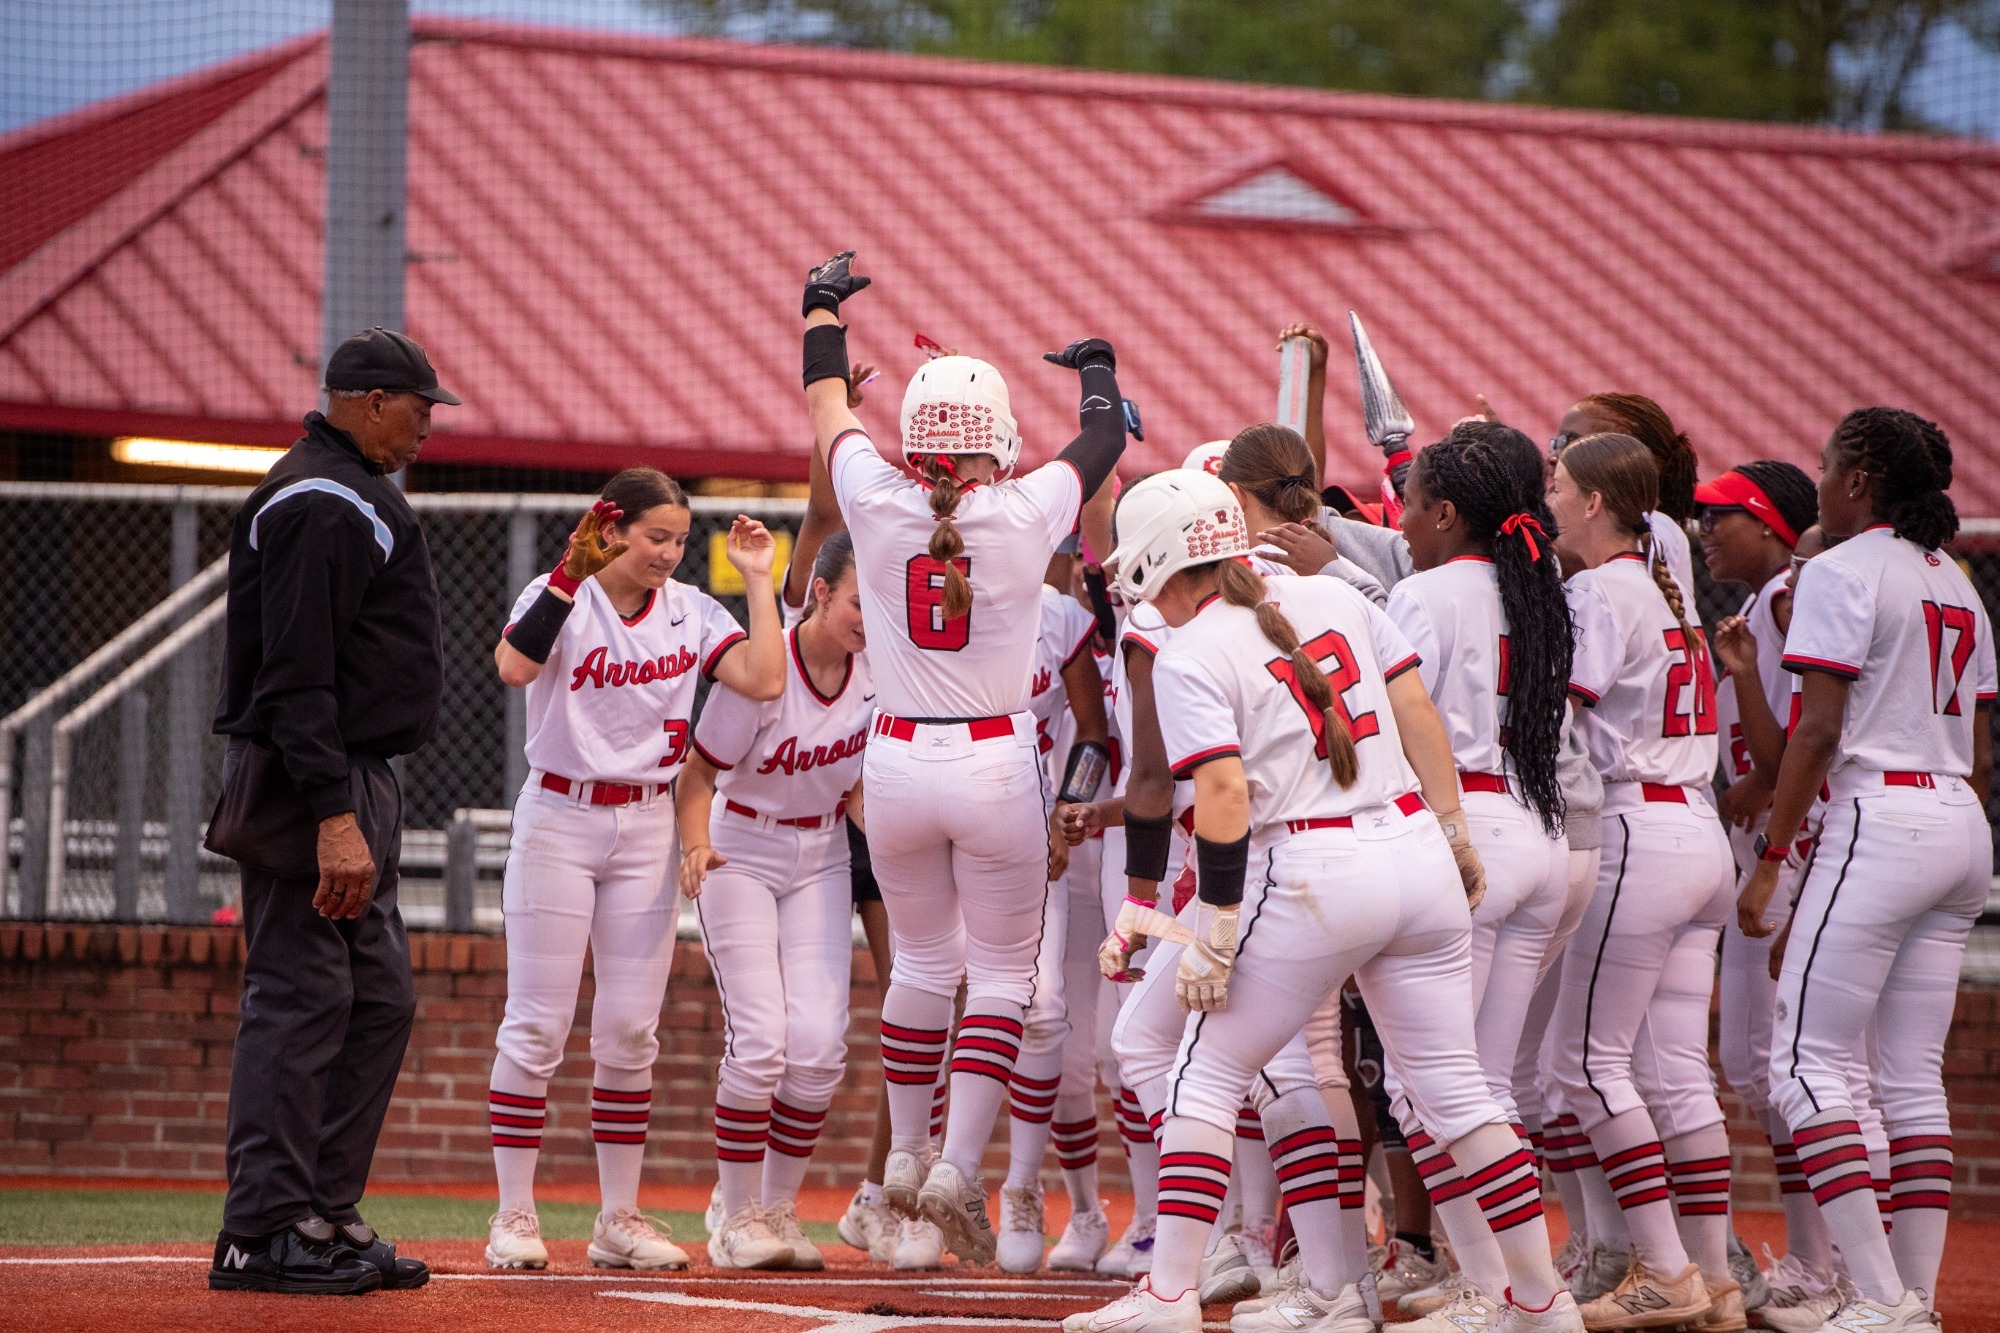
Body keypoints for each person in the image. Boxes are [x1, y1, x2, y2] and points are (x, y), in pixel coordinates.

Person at [1067, 470, 1582, 1333]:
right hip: (1414, 846)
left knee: (1203, 1067)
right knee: (1458, 1093)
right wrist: (1453, 831)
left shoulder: (1193, 650)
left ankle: (1167, 1293)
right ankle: (1537, 1299)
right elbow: (1417, 712)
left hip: (1309, 863)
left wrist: (1219, 930)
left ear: (1162, 553)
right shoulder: (1333, 596)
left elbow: (1224, 796)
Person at [798, 251, 1127, 1263]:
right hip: (993, 761)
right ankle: (955, 1168)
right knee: (998, 979)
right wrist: (1096, 367)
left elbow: (821, 404)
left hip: (891, 758)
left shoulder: (876, 500)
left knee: (920, 966)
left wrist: (821, 307)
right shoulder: (1027, 510)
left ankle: (904, 1153)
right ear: (996, 442)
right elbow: (1104, 435)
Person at [206, 327, 455, 1296]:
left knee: (378, 998)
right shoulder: (319, 497)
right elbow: (295, 675)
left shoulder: (355, 493)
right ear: (367, 399)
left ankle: (321, 1211)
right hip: (312, 782)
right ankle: (262, 1228)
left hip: (358, 778)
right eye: (419, 404)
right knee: (304, 994)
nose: (429, 423)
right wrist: (330, 811)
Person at [483, 471, 784, 1271]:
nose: (669, 552)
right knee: (538, 1024)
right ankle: (513, 1212)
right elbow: (513, 667)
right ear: (611, 528)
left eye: (680, 538)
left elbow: (764, 678)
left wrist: (759, 579)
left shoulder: (689, 609)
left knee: (629, 1032)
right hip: (560, 814)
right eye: (656, 535)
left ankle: (618, 1217)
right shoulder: (562, 595)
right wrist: (567, 573)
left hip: (648, 820)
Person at [1738, 408, 1994, 1333]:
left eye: (1826, 466)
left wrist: (1772, 860)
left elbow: (1815, 728)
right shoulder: (1954, 578)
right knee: (1910, 1078)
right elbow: (1984, 746)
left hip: (1880, 814)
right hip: (1959, 818)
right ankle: (1911, 1299)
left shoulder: (1842, 569)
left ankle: (1881, 1297)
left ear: (1856, 481)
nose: (1821, 480)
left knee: (1806, 1065)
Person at [1380, 421, 1576, 1329]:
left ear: (1448, 510)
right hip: (1537, 830)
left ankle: (1492, 1283)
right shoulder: (1535, 584)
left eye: (1414, 501)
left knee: (1428, 1087)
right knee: (1483, 1088)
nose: (1405, 518)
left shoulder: (1427, 591)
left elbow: (1398, 733)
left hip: (1466, 839)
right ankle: (1512, 1288)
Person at [1543, 433, 1738, 1330]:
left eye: (1559, 479)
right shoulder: (1663, 588)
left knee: (1580, 1061)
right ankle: (1713, 1279)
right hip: (1696, 826)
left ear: (1594, 502)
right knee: (1674, 1074)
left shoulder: (1597, 587)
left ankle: (1663, 1267)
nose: (1549, 487)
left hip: (1637, 829)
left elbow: (1561, 714)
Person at [677, 532, 873, 1272]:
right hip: (740, 847)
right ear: (820, 590)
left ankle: (779, 1205)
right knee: (761, 1041)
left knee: (820, 1047)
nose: (868, 618)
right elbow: (696, 775)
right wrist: (694, 843)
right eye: (858, 600)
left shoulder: (878, 670)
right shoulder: (765, 670)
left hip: (819, 851)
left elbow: (853, 786)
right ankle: (734, 1212)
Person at [1692, 461, 1822, 1312]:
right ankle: (1821, 1260)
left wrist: (1766, 798)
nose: (1707, 533)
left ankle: (1824, 1263)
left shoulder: (1789, 595)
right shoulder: (1769, 598)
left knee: (1796, 1066)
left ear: (1773, 525)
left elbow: (1792, 751)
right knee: (1751, 1060)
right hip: (1764, 840)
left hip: (1795, 842)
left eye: (1723, 518)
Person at [998, 555, 1115, 1273]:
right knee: (1065, 1053)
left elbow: (1099, 736)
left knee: (1126, 1054)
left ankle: (1183, 1218)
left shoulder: (1148, 625)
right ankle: (1084, 1209)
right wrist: (1070, 812)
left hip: (1132, 845)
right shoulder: (1062, 617)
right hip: (1061, 834)